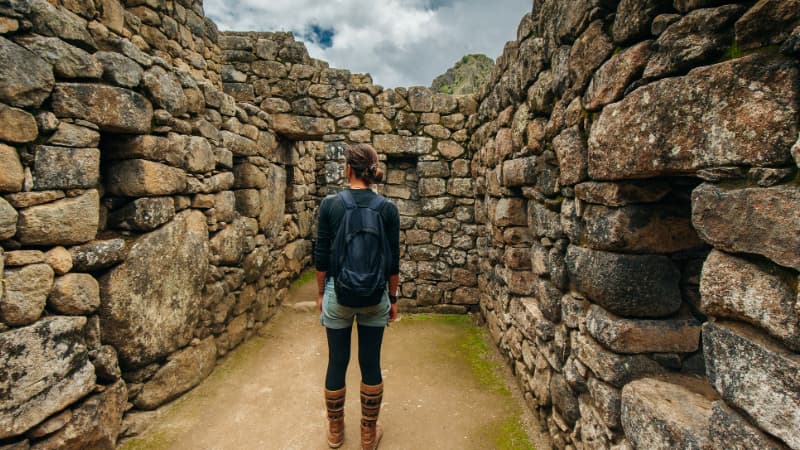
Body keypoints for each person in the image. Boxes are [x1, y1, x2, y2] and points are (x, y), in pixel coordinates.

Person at [315, 143, 400, 450]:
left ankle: (336, 431)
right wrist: (392, 297)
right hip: (376, 294)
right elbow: (393, 261)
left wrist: (322, 293)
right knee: (370, 362)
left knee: (337, 361)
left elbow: (321, 256)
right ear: (372, 170)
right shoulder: (388, 209)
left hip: (339, 292)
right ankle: (368, 433)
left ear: (347, 169)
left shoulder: (330, 205)